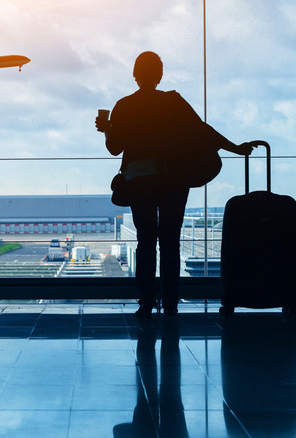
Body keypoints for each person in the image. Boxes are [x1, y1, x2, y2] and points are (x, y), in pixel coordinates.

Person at [96, 51, 253, 318]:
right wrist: (234, 148)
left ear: (135, 75)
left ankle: (145, 302)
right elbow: (203, 130)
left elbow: (114, 149)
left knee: (146, 241)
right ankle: (170, 304)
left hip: (139, 179)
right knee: (170, 242)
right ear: (160, 75)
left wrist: (108, 128)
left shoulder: (124, 106)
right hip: (173, 179)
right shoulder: (173, 102)